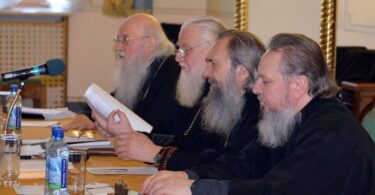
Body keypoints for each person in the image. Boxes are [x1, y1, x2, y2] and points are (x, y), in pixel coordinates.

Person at [141, 33, 375, 195]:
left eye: (265, 81)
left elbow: (276, 191)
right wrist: (185, 176)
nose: (256, 89)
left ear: (299, 86)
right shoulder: (286, 118)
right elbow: (241, 165)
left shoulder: (329, 135)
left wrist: (194, 189)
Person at [97, 29, 265, 171]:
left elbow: (227, 168)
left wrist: (156, 154)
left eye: (213, 64)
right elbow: (195, 144)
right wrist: (133, 136)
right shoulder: (229, 103)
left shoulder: (258, 115)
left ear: (242, 72)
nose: (206, 73)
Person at [64, 13, 186, 135]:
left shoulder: (174, 73)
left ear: (150, 43)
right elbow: (116, 100)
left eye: (125, 40)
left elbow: (157, 127)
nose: (118, 47)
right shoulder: (142, 69)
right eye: (118, 40)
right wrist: (87, 115)